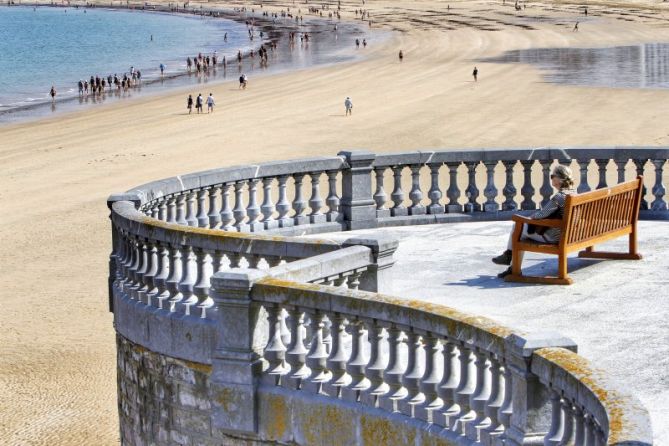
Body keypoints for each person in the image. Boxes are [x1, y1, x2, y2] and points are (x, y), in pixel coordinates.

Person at [492, 165, 576, 278]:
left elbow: (541, 215)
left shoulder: (560, 197)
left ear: (560, 179)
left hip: (555, 237)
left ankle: (510, 260)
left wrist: (527, 219)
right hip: (571, 235)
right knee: (521, 230)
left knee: (518, 227)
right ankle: (509, 259)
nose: (551, 179)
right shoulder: (575, 193)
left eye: (552, 176)